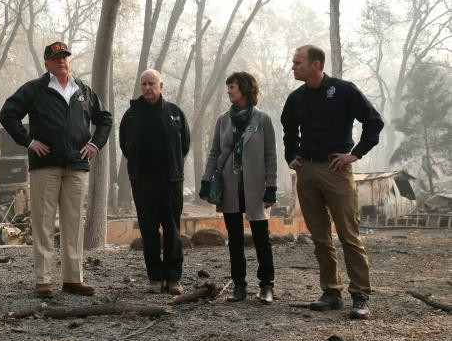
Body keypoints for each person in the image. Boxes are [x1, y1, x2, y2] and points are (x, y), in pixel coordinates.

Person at [0, 41, 112, 298]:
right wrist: (28, 141)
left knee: (74, 225)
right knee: (43, 224)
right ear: (47, 63)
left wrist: (95, 144)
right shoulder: (35, 89)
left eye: (65, 57)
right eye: (56, 58)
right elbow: (8, 114)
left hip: (76, 166)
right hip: (45, 166)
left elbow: (104, 119)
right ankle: (43, 280)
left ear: (69, 60)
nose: (61, 61)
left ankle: (73, 279)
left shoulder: (83, 90)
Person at [281, 45, 384, 319]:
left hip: (336, 169)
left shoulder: (343, 90)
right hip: (307, 172)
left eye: (298, 63)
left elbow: (374, 122)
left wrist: (355, 154)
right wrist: (291, 156)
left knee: (349, 235)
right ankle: (331, 291)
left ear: (316, 65)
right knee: (320, 237)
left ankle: (360, 295)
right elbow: (288, 131)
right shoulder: (296, 98)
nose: (293, 67)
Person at [200, 72, 277, 304]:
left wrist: (271, 186)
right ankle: (239, 286)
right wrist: (206, 179)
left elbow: (270, 155)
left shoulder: (262, 119)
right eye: (228, 87)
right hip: (229, 187)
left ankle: (266, 286)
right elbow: (214, 151)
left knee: (261, 238)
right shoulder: (223, 120)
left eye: (232, 86)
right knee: (234, 239)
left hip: (255, 187)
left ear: (244, 88)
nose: (228, 90)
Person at [119, 69, 190, 294]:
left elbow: (184, 144)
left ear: (161, 85)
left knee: (172, 230)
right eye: (144, 84)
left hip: (170, 181)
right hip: (143, 181)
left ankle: (173, 278)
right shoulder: (131, 115)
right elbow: (125, 145)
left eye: (151, 84)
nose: (147, 88)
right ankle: (155, 278)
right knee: (149, 231)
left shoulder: (174, 112)